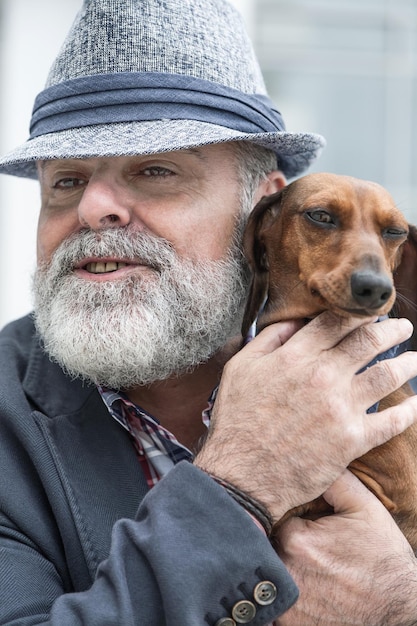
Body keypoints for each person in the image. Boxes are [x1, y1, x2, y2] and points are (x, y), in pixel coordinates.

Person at [0, 0, 417, 624]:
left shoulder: (394, 378)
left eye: (156, 170)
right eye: (65, 180)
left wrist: (401, 601)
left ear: (265, 211)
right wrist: (242, 484)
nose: (93, 209)